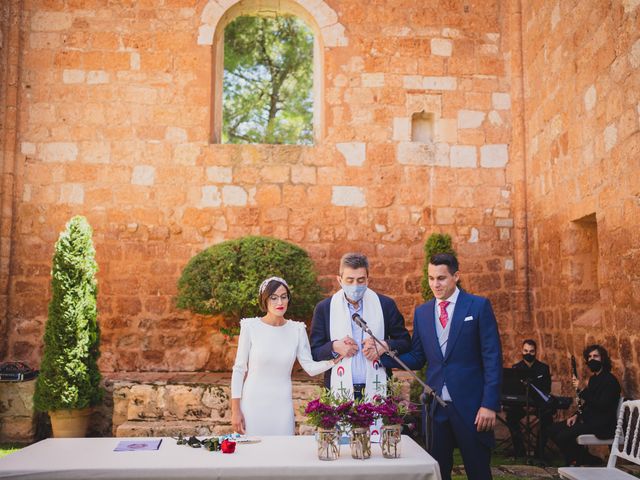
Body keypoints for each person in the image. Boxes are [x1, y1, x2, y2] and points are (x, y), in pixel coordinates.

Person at [383, 252, 502, 480]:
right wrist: (382, 356)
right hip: (435, 409)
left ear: (456, 276)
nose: (435, 284)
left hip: (472, 408)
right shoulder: (422, 312)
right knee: (438, 472)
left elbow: (492, 358)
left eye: (441, 278)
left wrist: (489, 404)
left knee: (478, 472)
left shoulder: (478, 306)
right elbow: (418, 357)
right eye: (431, 278)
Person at [230, 276, 337, 435]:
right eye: (273, 298)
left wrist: (335, 360)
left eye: (283, 297)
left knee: (284, 453)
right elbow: (239, 369)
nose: (279, 302)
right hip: (253, 403)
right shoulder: (250, 327)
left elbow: (310, 367)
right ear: (264, 300)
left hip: (282, 405)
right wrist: (235, 410)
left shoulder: (297, 330)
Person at [310, 252, 411, 400]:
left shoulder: (385, 305)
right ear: (339, 280)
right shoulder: (325, 308)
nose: (355, 286)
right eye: (349, 280)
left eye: (360, 280)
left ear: (368, 280)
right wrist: (334, 347)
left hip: (379, 387)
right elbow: (315, 352)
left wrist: (385, 345)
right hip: (338, 389)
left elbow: (405, 342)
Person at [550, 344, 621, 466]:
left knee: (563, 436)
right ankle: (586, 459)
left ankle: (575, 461)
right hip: (589, 421)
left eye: (595, 356)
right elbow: (588, 403)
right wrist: (576, 415)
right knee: (552, 430)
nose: (592, 359)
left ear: (602, 359)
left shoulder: (610, 381)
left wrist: (582, 389)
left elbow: (601, 405)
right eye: (589, 357)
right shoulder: (594, 379)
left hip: (602, 425)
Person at [504, 339, 554, 459]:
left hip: (538, 404)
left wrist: (534, 405)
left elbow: (547, 389)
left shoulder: (543, 368)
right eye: (526, 351)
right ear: (522, 350)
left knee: (547, 418)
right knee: (510, 417)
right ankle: (520, 451)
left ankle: (539, 452)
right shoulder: (516, 367)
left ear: (536, 352)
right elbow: (514, 390)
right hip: (520, 405)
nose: (528, 353)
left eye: (531, 351)